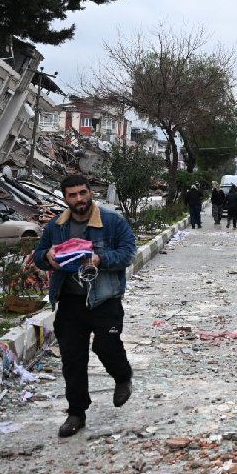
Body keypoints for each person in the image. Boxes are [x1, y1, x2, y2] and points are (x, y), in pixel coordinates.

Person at [33, 174, 136, 438]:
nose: (79, 199)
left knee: (106, 346)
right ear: (65, 198)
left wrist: (100, 259)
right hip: (69, 301)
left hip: (104, 299)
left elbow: (128, 253)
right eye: (72, 195)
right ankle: (76, 413)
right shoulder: (56, 226)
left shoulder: (112, 221)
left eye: (82, 193)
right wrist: (47, 256)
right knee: (72, 359)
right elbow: (39, 255)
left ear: (90, 192)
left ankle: (122, 376)